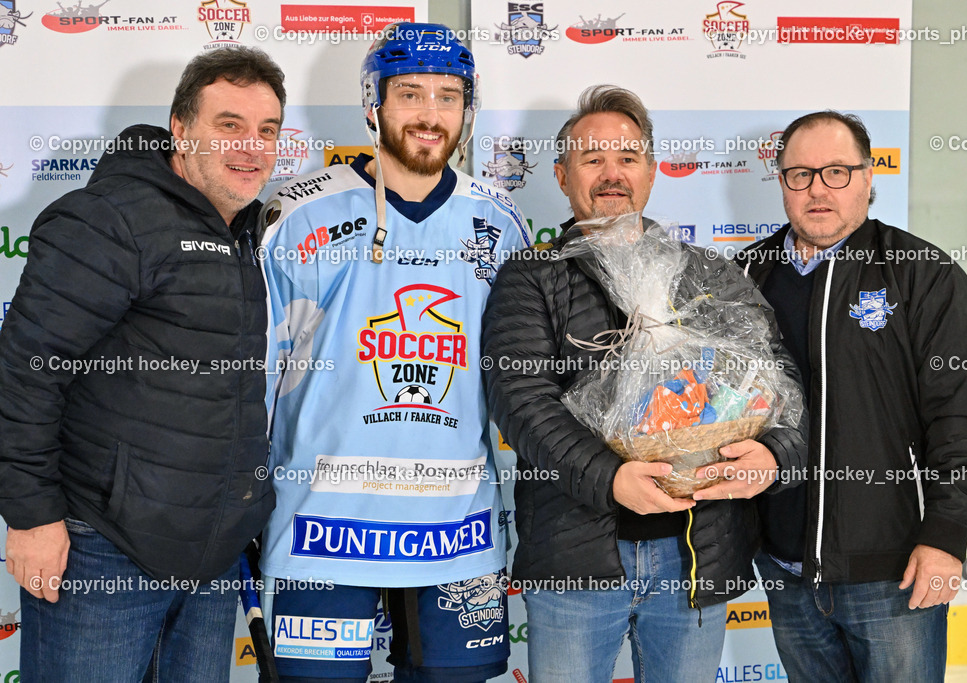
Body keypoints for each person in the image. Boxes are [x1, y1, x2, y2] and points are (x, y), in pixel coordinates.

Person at [481, 84, 807, 683]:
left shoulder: (709, 274)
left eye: (628, 158)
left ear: (652, 173)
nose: (613, 174)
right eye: (593, 158)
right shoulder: (532, 276)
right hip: (577, 559)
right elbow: (520, 401)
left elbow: (778, 383)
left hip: (699, 557)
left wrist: (773, 455)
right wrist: (611, 479)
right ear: (561, 174)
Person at [0, 47, 285, 680]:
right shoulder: (112, 219)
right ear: (181, 130)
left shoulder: (242, 233)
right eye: (229, 125)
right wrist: (32, 517)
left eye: (267, 130)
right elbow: (25, 370)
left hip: (208, 559)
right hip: (105, 550)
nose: (251, 146)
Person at [259, 23, 529, 682]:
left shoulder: (499, 223)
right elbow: (254, 377)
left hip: (457, 536)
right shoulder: (300, 214)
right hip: (321, 531)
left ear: (468, 109)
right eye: (409, 93)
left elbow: (522, 382)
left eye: (448, 95)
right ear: (373, 101)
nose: (430, 114)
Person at [736, 110, 967, 682]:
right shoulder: (746, 278)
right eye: (799, 174)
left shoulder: (922, 275)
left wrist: (945, 536)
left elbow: (962, 419)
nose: (817, 190)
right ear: (780, 181)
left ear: (868, 177)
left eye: (836, 172)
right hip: (785, 573)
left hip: (893, 573)